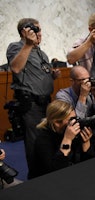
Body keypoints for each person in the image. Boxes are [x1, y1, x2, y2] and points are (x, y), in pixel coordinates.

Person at [6, 18, 61, 179]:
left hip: (46, 102)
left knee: (48, 138)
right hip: (30, 104)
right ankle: (36, 177)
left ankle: (49, 171)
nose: (39, 34)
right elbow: (16, 67)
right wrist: (28, 44)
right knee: (34, 142)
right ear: (24, 31)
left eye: (40, 30)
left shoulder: (40, 52)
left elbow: (40, 73)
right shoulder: (16, 47)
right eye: (36, 30)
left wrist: (53, 75)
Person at [32, 100, 94, 178]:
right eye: (71, 120)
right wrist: (67, 139)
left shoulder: (72, 133)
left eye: (75, 118)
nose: (75, 122)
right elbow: (56, 171)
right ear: (57, 123)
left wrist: (86, 142)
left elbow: (89, 163)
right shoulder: (43, 141)